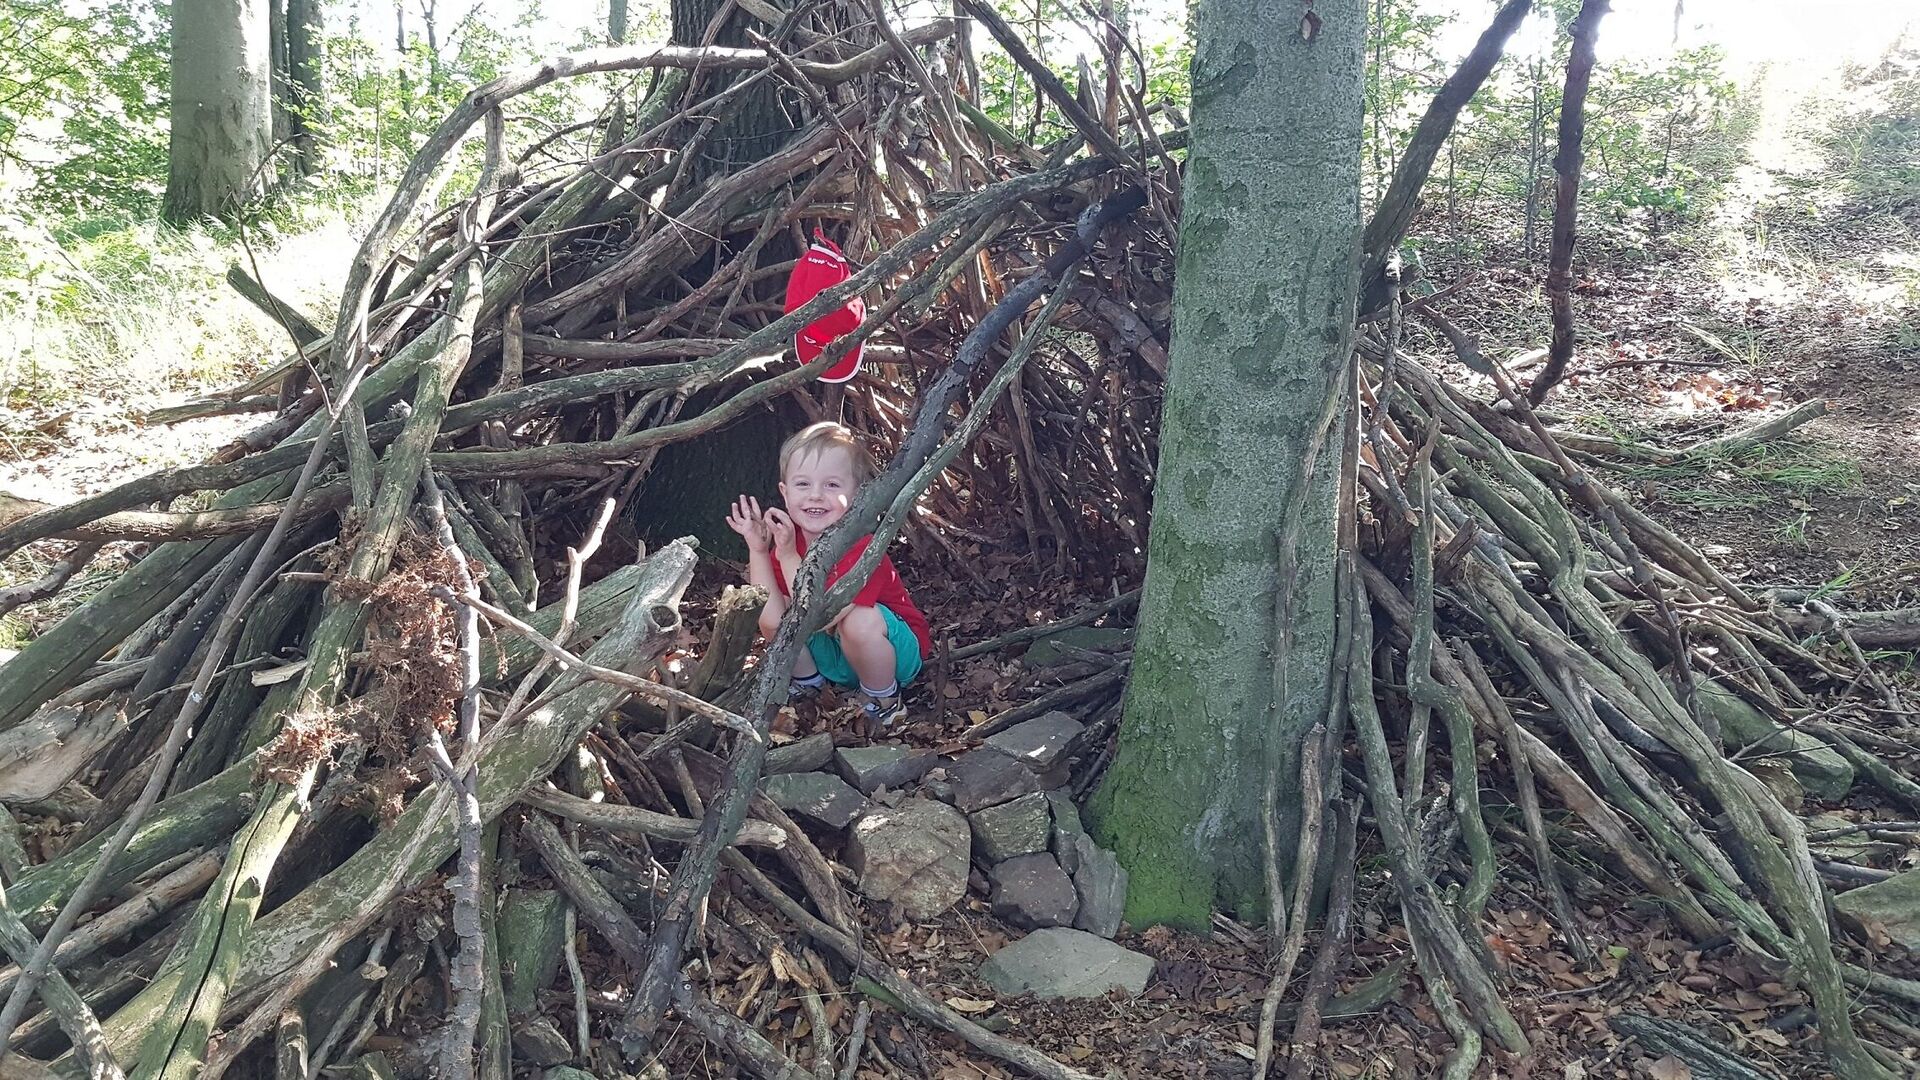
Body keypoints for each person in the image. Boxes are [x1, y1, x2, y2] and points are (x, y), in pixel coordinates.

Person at [724, 421, 930, 726]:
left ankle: (885, 700)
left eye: (832, 485)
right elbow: (766, 610)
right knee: (776, 609)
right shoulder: (789, 539)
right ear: (784, 493)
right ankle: (810, 686)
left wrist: (788, 555)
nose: (816, 495)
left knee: (858, 620)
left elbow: (821, 616)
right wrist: (759, 550)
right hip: (837, 657)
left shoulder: (863, 547)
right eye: (803, 484)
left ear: (857, 494)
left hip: (893, 657)